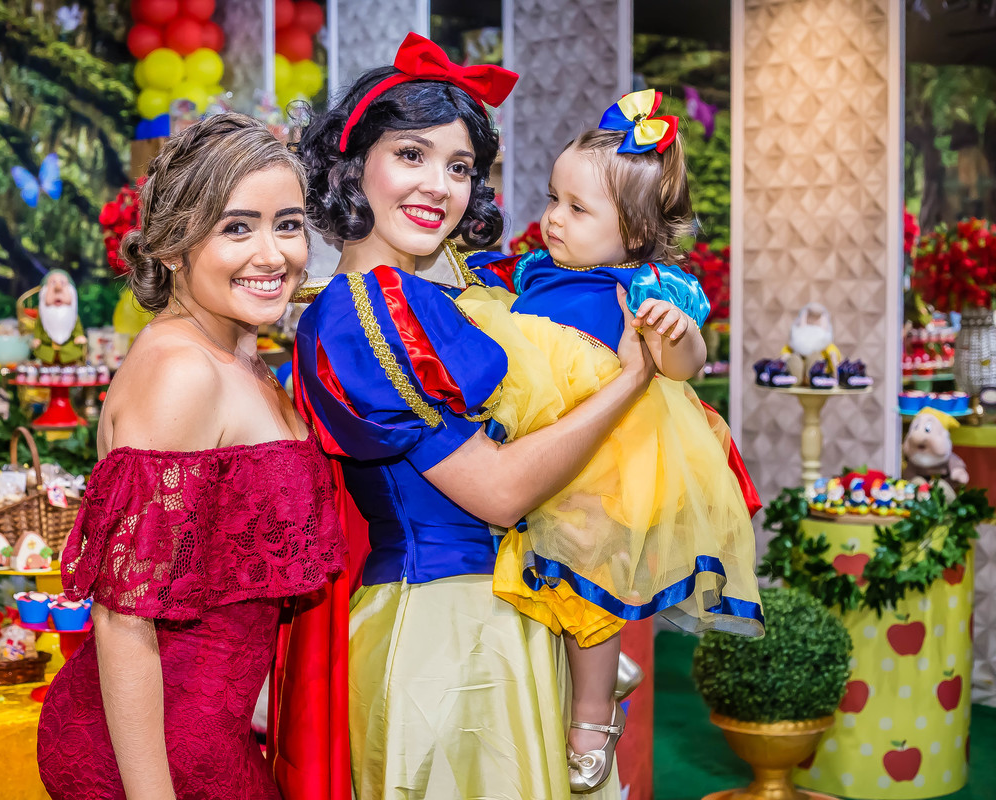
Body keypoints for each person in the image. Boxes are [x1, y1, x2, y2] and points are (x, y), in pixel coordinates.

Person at [283, 33, 655, 800]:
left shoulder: (455, 290)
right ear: (354, 162)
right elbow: (501, 493)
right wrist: (631, 382)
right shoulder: (361, 316)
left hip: (513, 617)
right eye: (411, 155)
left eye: (459, 166)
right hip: (445, 640)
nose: (439, 185)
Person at [454, 89, 763, 789]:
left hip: (612, 451)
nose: (553, 218)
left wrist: (676, 335)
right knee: (546, 561)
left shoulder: (649, 285)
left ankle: (593, 713)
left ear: (633, 231)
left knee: (591, 566)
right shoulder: (539, 271)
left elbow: (683, 366)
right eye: (553, 199)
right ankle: (595, 661)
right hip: (546, 434)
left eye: (577, 208)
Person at [36, 113, 344, 800]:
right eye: (237, 228)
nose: (273, 254)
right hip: (150, 758)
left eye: (287, 224)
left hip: (213, 736)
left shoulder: (238, 353)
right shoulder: (182, 372)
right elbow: (123, 619)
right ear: (174, 246)